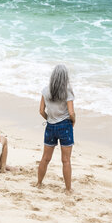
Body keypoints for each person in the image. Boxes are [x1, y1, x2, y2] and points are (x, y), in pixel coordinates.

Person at [36, 64, 76, 194]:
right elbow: (71, 113)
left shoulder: (46, 90)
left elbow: (41, 110)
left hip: (50, 126)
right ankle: (68, 189)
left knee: (45, 158)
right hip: (65, 125)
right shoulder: (67, 91)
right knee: (66, 160)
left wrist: (49, 119)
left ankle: (39, 183)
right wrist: (73, 122)